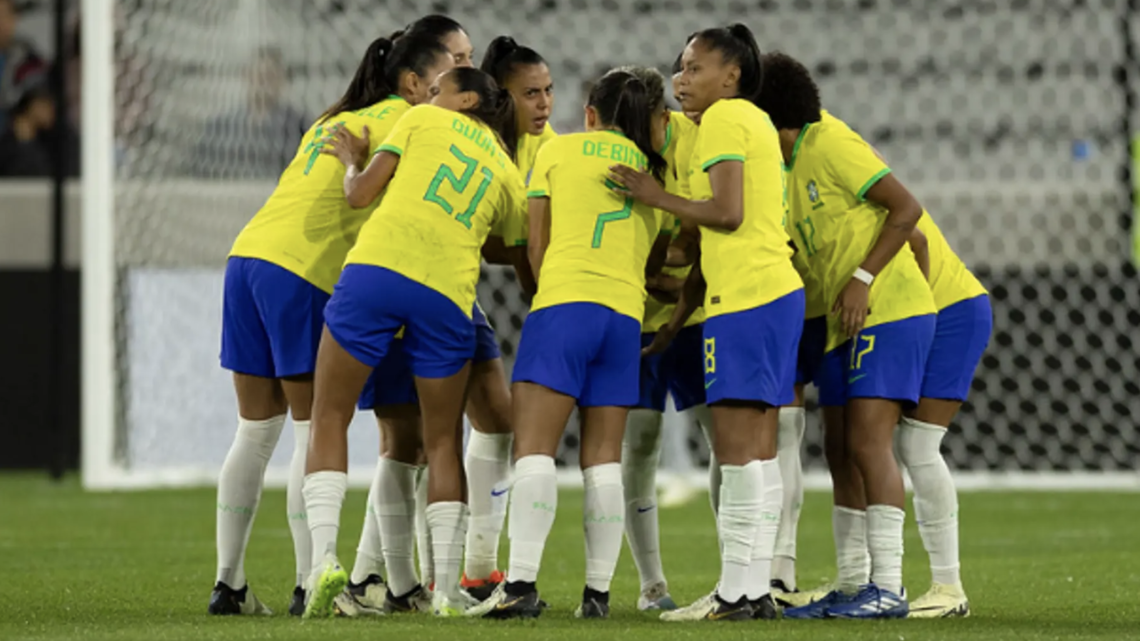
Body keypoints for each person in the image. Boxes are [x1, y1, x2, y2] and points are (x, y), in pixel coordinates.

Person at [211, 32, 454, 617]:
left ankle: (230, 585)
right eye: (451, 74)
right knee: (308, 427)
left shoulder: (332, 119)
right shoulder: (409, 121)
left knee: (254, 431)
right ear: (414, 83)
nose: (457, 88)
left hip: (246, 258)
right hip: (301, 271)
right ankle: (306, 582)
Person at [305, 66, 524, 619]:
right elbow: (513, 245)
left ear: (466, 98)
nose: (428, 95)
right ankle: (446, 591)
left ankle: (324, 563)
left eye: (439, 88)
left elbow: (358, 196)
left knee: (329, 414)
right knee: (443, 440)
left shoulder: (419, 119)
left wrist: (354, 156)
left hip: (378, 270)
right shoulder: (506, 168)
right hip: (448, 294)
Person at [609, 24, 804, 622]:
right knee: (760, 453)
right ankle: (754, 590)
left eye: (695, 68)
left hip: (745, 300)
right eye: (680, 68)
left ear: (732, 74)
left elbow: (726, 212)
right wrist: (678, 313)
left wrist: (651, 194)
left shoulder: (725, 119)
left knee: (741, 452)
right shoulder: (747, 122)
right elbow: (713, 230)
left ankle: (735, 593)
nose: (681, 79)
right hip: (771, 294)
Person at [470, 67, 668, 621]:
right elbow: (653, 265)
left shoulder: (557, 154)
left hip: (565, 304)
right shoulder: (655, 178)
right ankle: (598, 596)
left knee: (533, 449)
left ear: (590, 114)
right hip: (624, 318)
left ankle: (522, 586)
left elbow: (537, 244)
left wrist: (547, 291)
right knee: (603, 461)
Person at [753, 51, 936, 620]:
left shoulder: (831, 142)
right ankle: (856, 582)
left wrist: (863, 279)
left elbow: (906, 209)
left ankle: (890, 585)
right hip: (842, 321)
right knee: (837, 449)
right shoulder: (787, 164)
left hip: (883, 308)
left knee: (866, 444)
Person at [614, 64, 702, 613]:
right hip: (635, 322)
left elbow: (700, 237)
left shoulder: (694, 144)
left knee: (730, 446)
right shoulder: (608, 160)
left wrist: (666, 267)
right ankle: (652, 587)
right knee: (638, 447)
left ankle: (748, 579)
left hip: (695, 321)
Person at [899, 211, 990, 618]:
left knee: (917, 445)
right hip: (922, 310)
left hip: (949, 310)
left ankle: (948, 588)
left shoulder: (835, 158)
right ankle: (867, 580)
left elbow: (913, 234)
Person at [190, 46, 309, 179]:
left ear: (282, 79)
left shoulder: (299, 126)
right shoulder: (220, 127)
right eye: (258, 76)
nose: (263, 83)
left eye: (270, 76)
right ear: (246, 76)